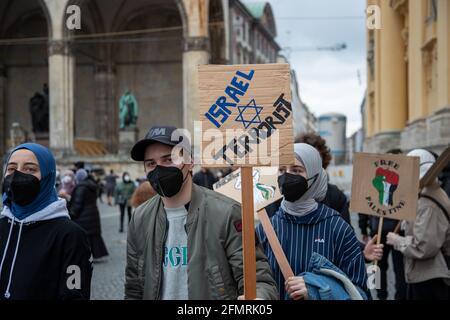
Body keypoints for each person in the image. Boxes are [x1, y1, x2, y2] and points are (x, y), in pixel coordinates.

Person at [125, 125, 278, 300]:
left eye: (168, 160)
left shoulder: (227, 213)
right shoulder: (140, 218)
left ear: (190, 161)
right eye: (151, 164)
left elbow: (257, 278)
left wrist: (259, 297)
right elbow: (134, 286)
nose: (159, 169)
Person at [256, 143, 368, 300]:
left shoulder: (338, 228)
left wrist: (316, 289)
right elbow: (258, 281)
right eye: (281, 170)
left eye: (296, 170)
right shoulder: (265, 229)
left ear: (315, 177)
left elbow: (360, 292)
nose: (286, 176)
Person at [0, 143, 91, 299]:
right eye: (11, 169)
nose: (17, 175)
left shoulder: (71, 236)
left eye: (30, 169)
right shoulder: (2, 226)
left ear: (48, 177)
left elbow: (73, 294)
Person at [387, 149, 450, 300]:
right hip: (426, 275)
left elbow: (423, 247)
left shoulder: (428, 201)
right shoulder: (429, 193)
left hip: (430, 276)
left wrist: (398, 241)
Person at [358, 148, 407, 300]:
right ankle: (385, 295)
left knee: (383, 267)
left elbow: (365, 207)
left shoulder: (391, 178)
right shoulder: (401, 179)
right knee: (383, 267)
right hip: (387, 231)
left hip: (391, 231)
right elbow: (366, 205)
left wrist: (364, 228)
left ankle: (383, 295)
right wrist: (364, 228)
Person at [69, 169, 109, 261]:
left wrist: (71, 213)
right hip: (92, 213)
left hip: (83, 216)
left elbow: (77, 204)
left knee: (84, 237)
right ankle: (96, 254)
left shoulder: (81, 187)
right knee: (93, 236)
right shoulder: (91, 185)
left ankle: (84, 256)